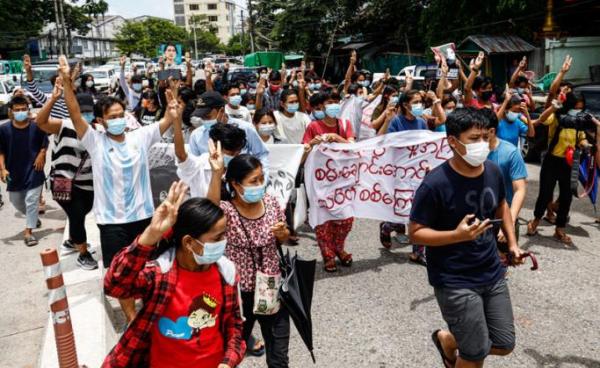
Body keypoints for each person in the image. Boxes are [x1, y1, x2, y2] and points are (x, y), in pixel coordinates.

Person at [57, 55, 176, 322]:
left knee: (148, 269)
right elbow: (75, 112)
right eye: (112, 117)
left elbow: (168, 119)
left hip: (144, 218)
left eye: (121, 115)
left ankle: (150, 313)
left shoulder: (140, 137)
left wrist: (172, 97)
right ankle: (132, 318)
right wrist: (66, 82)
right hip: (112, 223)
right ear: (100, 121)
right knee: (122, 274)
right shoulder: (94, 141)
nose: (118, 120)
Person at [408, 107, 525, 368]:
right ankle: (463, 349)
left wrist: (513, 244)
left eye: (485, 137)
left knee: (504, 344)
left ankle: (449, 340)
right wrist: (456, 235)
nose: (482, 144)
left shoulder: (493, 171)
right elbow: (414, 233)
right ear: (453, 141)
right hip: (455, 280)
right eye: (474, 138)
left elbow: (502, 205)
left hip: (492, 273)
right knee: (474, 355)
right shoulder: (435, 184)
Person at [103, 181, 246, 368]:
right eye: (217, 238)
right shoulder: (160, 274)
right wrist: (151, 235)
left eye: (224, 235)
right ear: (189, 243)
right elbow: (115, 285)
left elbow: (235, 327)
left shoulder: (226, 274)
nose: (224, 242)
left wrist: (227, 363)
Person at [207, 152, 291, 368]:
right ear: (235, 184)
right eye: (254, 181)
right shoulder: (227, 211)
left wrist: (282, 234)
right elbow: (208, 215)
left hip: (271, 288)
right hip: (239, 294)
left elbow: (284, 238)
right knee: (230, 353)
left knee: (279, 355)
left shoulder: (271, 203)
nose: (260, 185)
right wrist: (217, 174)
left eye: (262, 178)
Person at [35, 84, 98, 270]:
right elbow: (40, 121)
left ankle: (72, 240)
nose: (85, 116)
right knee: (77, 215)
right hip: (63, 180)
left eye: (89, 112)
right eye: (81, 111)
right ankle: (83, 254)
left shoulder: (96, 129)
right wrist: (53, 99)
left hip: (88, 183)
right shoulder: (64, 125)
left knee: (82, 212)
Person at [527, 92, 598, 245]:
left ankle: (559, 229)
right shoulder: (557, 117)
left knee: (567, 196)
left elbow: (581, 139)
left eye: (580, 108)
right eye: (575, 108)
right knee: (545, 194)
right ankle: (535, 221)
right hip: (551, 161)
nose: (577, 111)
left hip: (568, 163)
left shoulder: (578, 123)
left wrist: (587, 147)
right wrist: (554, 106)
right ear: (569, 106)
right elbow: (543, 119)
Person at [303, 91, 355, 272]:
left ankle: (339, 248)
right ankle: (328, 255)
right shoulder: (313, 127)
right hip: (321, 183)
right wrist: (311, 145)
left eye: (335, 101)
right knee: (323, 220)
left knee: (346, 219)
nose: (333, 105)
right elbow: (303, 155)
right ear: (321, 106)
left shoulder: (345, 124)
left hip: (342, 180)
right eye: (328, 102)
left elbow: (354, 148)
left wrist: (337, 139)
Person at [377, 89, 429, 264]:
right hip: (400, 173)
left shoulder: (422, 123)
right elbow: (388, 143)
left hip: (418, 172)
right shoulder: (396, 122)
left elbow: (426, 146)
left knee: (420, 211)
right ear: (406, 104)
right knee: (404, 211)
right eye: (415, 102)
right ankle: (387, 226)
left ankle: (418, 252)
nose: (419, 105)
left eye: (421, 101)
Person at [0, 95, 48, 246]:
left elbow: (44, 143)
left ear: (28, 110)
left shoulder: (37, 126)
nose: (20, 112)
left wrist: (42, 153)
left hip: (35, 170)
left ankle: (29, 233)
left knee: (31, 201)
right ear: (11, 111)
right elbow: (1, 151)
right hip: (14, 172)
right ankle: (32, 219)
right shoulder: (4, 129)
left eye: (23, 109)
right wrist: (2, 169)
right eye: (17, 110)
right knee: (16, 201)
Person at [188, 91, 270, 176]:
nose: (205, 120)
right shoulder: (196, 136)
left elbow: (261, 154)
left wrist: (263, 179)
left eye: (208, 117)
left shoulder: (245, 128)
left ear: (222, 111)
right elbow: (193, 165)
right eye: (202, 117)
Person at [481, 109, 528, 243]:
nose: (476, 139)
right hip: (478, 218)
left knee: (504, 260)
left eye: (481, 134)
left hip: (503, 217)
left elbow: (520, 189)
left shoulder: (510, 153)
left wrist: (510, 223)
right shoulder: (471, 151)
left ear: (491, 131)